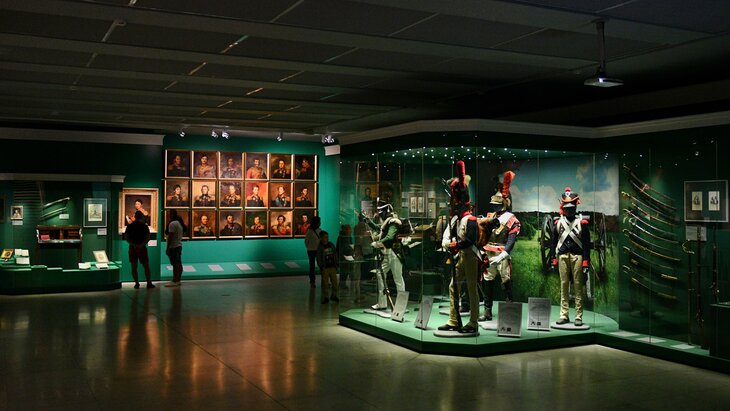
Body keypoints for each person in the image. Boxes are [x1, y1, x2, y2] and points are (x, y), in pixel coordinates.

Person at [437, 161, 479, 334]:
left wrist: (455, 244)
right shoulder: (456, 219)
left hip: (469, 255)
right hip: (459, 257)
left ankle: (473, 322)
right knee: (453, 287)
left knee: (471, 289)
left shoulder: (471, 220)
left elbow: (470, 240)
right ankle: (454, 319)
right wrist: (448, 242)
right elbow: (449, 235)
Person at [479, 171, 519, 322]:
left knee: (506, 281)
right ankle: (487, 311)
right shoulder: (490, 217)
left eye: (497, 205)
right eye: (494, 205)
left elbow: (511, 239)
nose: (495, 208)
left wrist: (504, 254)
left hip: (502, 254)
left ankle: (510, 311)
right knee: (487, 281)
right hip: (489, 253)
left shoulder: (511, 219)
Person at [551, 187, 590, 326]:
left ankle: (578, 316)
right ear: (563, 208)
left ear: (575, 208)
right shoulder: (558, 223)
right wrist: (553, 259)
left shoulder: (582, 224)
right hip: (562, 256)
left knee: (578, 286)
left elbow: (586, 244)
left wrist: (585, 262)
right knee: (564, 286)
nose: (569, 211)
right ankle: (564, 315)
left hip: (577, 256)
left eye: (571, 208)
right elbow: (553, 243)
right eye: (567, 208)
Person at [364, 201, 405, 311]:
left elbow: (389, 237)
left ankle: (401, 305)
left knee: (398, 279)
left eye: (380, 212)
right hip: (387, 253)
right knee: (380, 274)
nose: (379, 214)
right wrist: (367, 220)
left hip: (395, 253)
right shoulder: (388, 221)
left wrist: (377, 243)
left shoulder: (394, 222)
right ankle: (382, 303)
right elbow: (380, 228)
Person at [126, 210, 154, 289]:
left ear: (135, 217)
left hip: (133, 248)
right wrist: (141, 245)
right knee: (146, 266)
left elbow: (127, 237)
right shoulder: (144, 226)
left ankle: (136, 283)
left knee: (134, 267)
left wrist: (134, 245)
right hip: (142, 248)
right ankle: (149, 283)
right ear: (141, 217)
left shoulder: (130, 226)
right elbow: (148, 237)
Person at [316, 230, 339, 304]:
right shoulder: (320, 247)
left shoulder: (331, 244)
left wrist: (336, 263)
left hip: (332, 266)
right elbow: (318, 257)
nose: (326, 238)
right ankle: (326, 297)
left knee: (334, 282)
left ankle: (334, 295)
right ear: (321, 238)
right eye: (325, 237)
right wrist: (321, 266)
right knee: (325, 283)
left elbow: (335, 254)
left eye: (327, 237)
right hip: (325, 267)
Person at [165, 209, 185, 287]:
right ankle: (178, 279)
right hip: (178, 245)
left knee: (175, 264)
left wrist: (168, 247)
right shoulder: (179, 223)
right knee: (178, 263)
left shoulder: (172, 224)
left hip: (173, 246)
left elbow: (170, 236)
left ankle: (175, 280)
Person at [304, 216, 322, 288]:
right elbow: (306, 241)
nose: (320, 223)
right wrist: (309, 247)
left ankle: (324, 280)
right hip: (312, 250)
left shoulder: (318, 230)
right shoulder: (310, 231)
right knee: (312, 266)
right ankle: (312, 281)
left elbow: (306, 242)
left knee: (320, 265)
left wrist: (309, 247)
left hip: (315, 250)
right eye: (319, 222)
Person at [336, 224, 354, 293]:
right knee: (344, 272)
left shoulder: (348, 236)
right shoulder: (342, 237)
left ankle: (344, 285)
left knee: (347, 271)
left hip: (348, 256)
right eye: (349, 229)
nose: (350, 230)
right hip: (344, 257)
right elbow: (340, 248)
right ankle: (342, 285)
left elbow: (350, 245)